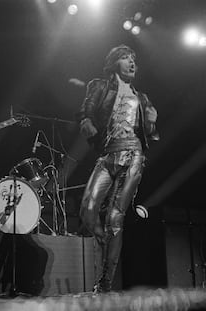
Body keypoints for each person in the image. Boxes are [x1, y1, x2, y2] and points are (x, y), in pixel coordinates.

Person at [76, 45, 159, 293]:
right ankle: (104, 242)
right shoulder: (99, 86)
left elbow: (151, 136)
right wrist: (86, 123)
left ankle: (105, 283)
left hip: (133, 154)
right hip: (107, 155)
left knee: (115, 218)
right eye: (125, 58)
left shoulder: (142, 98)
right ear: (114, 63)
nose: (132, 62)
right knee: (87, 210)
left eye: (134, 59)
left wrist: (152, 123)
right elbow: (86, 112)